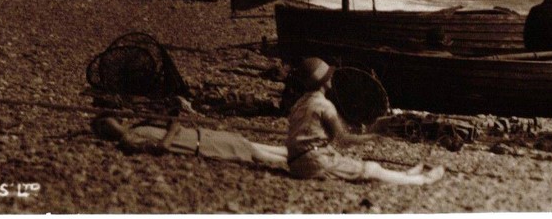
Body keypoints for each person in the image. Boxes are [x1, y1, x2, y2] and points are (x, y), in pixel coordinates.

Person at [285, 57, 444, 184]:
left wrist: (370, 130)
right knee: (370, 169)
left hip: (294, 162)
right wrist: (373, 137)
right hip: (312, 163)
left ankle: (405, 174)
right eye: (329, 75)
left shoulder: (300, 103)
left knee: (349, 162)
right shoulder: (325, 106)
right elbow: (343, 139)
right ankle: (421, 180)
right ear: (324, 81)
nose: (332, 77)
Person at [92, 115, 287, 167]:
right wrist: (174, 129)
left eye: (105, 121)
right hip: (198, 146)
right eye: (101, 127)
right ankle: (296, 158)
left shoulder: (137, 127)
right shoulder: (128, 139)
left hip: (200, 134)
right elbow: (160, 148)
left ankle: (293, 151)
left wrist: (169, 123)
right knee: (254, 154)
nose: (106, 125)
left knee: (245, 142)